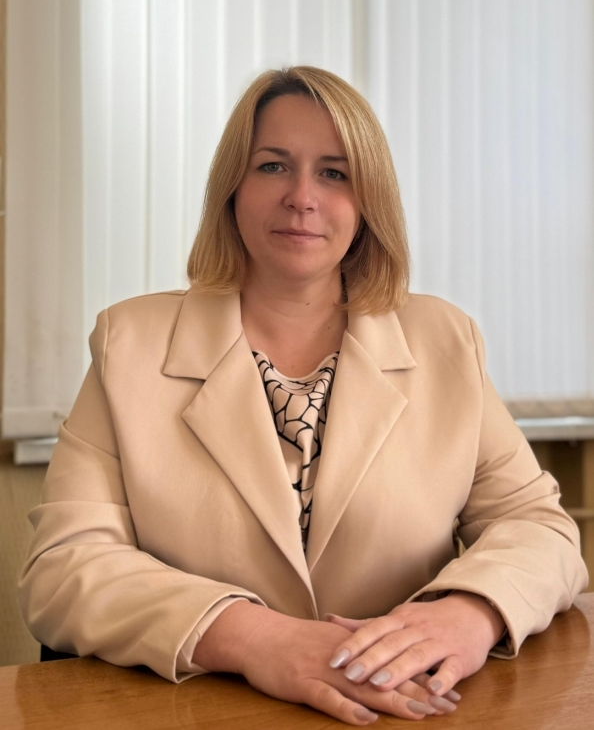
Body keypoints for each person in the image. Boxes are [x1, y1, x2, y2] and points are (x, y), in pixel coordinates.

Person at [19, 66, 587, 726]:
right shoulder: (131, 343)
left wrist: (470, 612)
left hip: (402, 708)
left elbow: (538, 527)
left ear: (368, 201)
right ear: (232, 188)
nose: (301, 197)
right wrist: (257, 638)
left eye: (335, 173)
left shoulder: (444, 340)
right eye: (272, 166)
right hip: (199, 712)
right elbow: (64, 567)